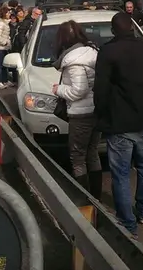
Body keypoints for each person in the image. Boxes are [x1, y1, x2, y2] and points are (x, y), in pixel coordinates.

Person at [93, 12, 143, 237]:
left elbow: (100, 88)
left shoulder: (108, 51)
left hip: (120, 119)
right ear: (132, 27)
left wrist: (100, 115)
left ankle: (127, 221)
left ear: (113, 30)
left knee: (121, 173)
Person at [52, 20, 103, 199]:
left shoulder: (73, 60)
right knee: (92, 152)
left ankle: (84, 200)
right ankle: (96, 196)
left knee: (77, 157)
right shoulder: (93, 52)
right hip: (96, 111)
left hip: (80, 114)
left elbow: (78, 90)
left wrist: (58, 90)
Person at [0, 6, 13, 89]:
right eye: (8, 12)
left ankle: (5, 81)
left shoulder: (5, 23)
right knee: (0, 66)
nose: (9, 14)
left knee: (4, 66)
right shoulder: (1, 24)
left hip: (4, 48)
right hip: (0, 48)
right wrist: (5, 42)